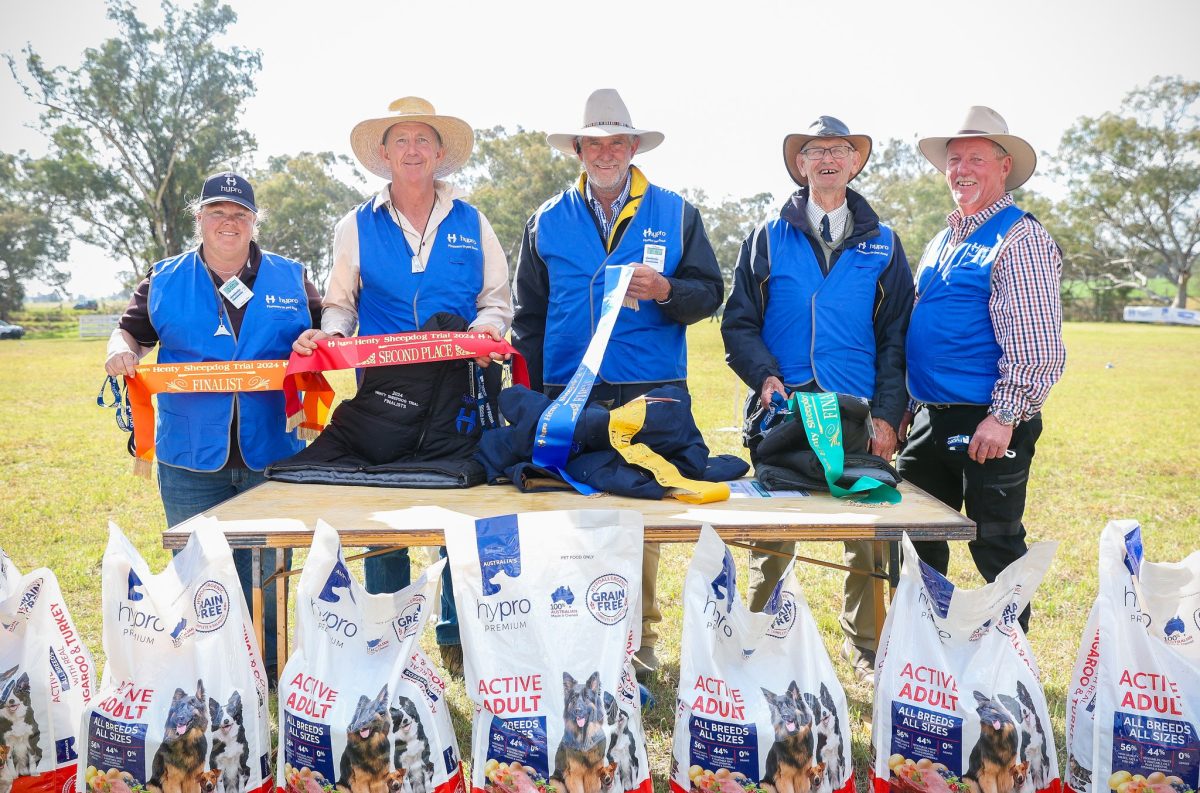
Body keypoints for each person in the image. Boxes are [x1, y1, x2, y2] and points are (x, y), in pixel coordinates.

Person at [292, 97, 513, 674]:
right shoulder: (354, 225)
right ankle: (385, 637)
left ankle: (459, 637)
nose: (413, 151)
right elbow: (341, 306)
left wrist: (485, 332)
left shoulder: (473, 220)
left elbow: (496, 300)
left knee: (458, 512)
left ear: (440, 153)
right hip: (384, 394)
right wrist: (327, 337)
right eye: (402, 141)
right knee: (382, 517)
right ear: (384, 154)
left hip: (462, 389)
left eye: (423, 141)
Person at [512, 88, 724, 681]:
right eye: (593, 143)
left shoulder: (677, 212)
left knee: (644, 516)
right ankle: (575, 638)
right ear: (578, 150)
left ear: (633, 147)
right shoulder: (545, 221)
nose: (605, 153)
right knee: (569, 517)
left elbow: (711, 294)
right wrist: (528, 395)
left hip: (649, 390)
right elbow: (529, 316)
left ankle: (642, 642)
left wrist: (666, 292)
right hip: (567, 390)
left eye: (616, 142)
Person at [104, 171, 322, 675]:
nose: (229, 222)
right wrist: (120, 351)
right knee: (195, 565)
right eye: (218, 212)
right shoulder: (163, 276)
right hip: (188, 453)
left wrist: (316, 340)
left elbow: (327, 329)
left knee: (266, 570)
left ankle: (266, 668)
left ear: (253, 221)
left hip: (272, 448)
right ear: (199, 218)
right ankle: (201, 667)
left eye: (240, 214)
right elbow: (129, 333)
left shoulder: (291, 276)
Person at [721, 116, 913, 686]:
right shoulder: (766, 237)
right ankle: (756, 641)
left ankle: (870, 649)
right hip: (785, 411)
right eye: (814, 151)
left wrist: (887, 412)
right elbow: (739, 324)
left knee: (868, 541)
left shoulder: (884, 243)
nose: (827, 159)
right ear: (800, 165)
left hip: (855, 411)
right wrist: (764, 379)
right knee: (774, 537)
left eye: (839, 150)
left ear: (855, 164)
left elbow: (896, 334)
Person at [898, 106, 1066, 632]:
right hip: (929, 417)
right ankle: (926, 651)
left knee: (994, 540)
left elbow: (1037, 342)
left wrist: (1005, 415)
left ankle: (1009, 658)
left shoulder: (1020, 239)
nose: (961, 169)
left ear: (1003, 166)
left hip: (987, 418)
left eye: (974, 158)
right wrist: (907, 407)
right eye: (953, 160)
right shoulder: (942, 239)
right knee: (917, 540)